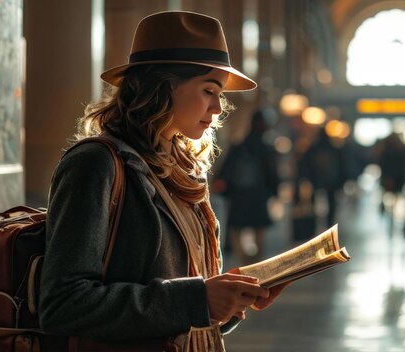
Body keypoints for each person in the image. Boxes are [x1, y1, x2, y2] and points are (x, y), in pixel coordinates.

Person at [38, 11, 288, 351]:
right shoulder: (95, 163)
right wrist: (197, 298)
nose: (218, 108)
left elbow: (182, 308)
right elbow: (63, 305)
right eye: (209, 90)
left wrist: (228, 301)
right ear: (163, 85)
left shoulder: (181, 169)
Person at [214, 109, 279, 264]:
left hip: (239, 194)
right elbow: (272, 174)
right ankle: (257, 263)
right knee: (259, 229)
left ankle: (242, 260)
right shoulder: (266, 148)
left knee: (236, 227)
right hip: (258, 194)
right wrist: (273, 191)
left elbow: (226, 170)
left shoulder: (239, 146)